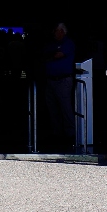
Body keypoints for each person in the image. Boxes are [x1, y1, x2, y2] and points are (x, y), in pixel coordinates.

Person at [43, 22, 76, 152]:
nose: (54, 33)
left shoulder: (68, 43)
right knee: (52, 108)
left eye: (56, 30)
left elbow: (59, 55)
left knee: (65, 107)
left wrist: (53, 54)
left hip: (63, 80)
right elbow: (44, 53)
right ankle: (57, 134)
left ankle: (70, 135)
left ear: (62, 31)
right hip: (51, 80)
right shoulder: (52, 44)